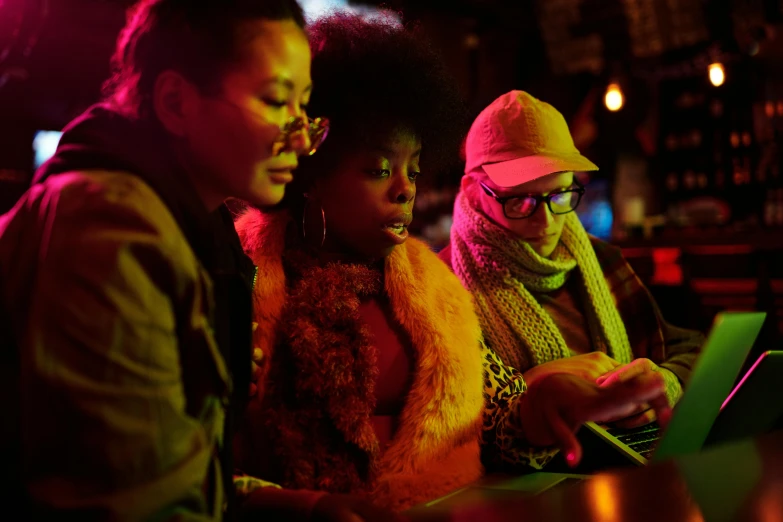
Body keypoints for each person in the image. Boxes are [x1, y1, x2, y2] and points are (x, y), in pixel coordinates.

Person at [234, 15, 672, 514]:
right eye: (379, 169)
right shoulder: (239, 277)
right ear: (312, 171)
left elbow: (495, 415)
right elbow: (196, 457)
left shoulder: (432, 289)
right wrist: (298, 507)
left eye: (414, 169)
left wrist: (541, 406)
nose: (405, 189)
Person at [0, 0, 334, 519]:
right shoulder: (110, 229)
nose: (300, 137)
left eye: (304, 107)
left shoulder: (201, 226)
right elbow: (128, 500)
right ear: (176, 102)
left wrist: (294, 505)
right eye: (274, 100)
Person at [441, 90, 703, 438]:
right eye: (520, 200)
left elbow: (689, 347)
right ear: (473, 190)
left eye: (560, 194)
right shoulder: (442, 285)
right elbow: (445, 418)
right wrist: (531, 388)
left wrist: (666, 381)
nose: (546, 221)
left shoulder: (599, 258)